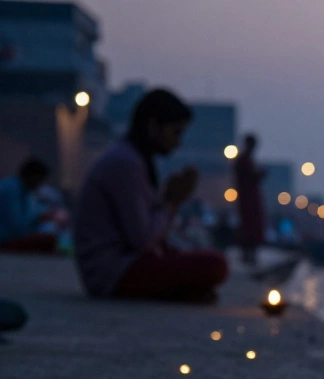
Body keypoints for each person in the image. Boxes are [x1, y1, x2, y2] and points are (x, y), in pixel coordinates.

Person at [73, 88, 228, 302]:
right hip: (113, 274)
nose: (178, 142)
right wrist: (172, 201)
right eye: (175, 133)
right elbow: (143, 240)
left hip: (125, 266)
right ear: (153, 126)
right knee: (216, 264)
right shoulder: (125, 163)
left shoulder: (134, 160)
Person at [0, 157, 58, 254]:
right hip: (4, 239)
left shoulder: (22, 191)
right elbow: (17, 227)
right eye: (40, 180)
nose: (40, 184)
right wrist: (39, 219)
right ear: (33, 176)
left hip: (9, 237)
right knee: (49, 240)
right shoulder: (12, 190)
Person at [232, 133, 266, 265]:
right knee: (249, 226)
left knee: (251, 225)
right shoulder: (244, 160)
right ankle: (247, 254)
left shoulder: (245, 159)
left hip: (249, 197)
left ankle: (250, 254)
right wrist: (260, 173)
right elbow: (250, 177)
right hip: (248, 198)